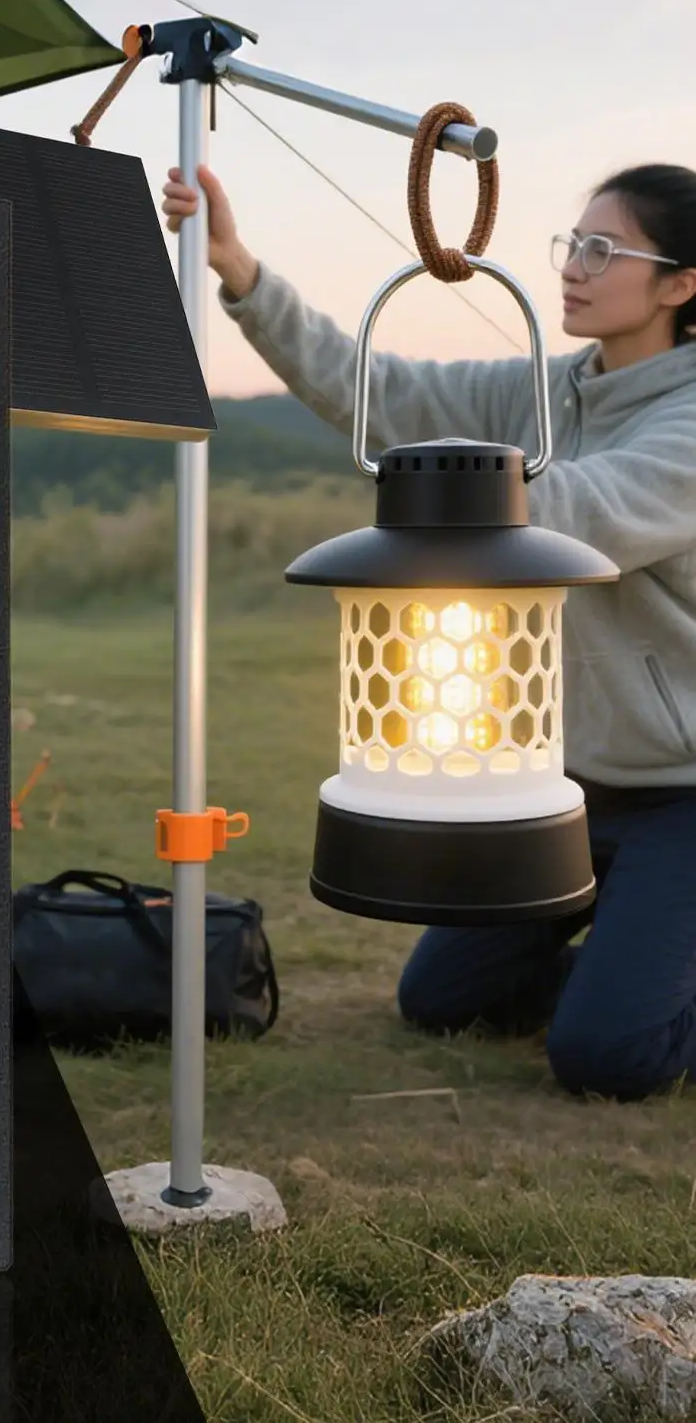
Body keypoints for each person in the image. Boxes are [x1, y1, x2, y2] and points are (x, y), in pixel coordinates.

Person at [161, 160, 696, 1101]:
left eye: (603, 249)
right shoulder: (549, 388)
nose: (572, 265)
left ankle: (638, 971)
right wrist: (238, 270)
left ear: (681, 284)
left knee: (606, 1058)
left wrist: (455, 489)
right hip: (567, 785)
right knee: (441, 999)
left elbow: (586, 510)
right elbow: (382, 394)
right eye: (573, 242)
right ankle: (636, 953)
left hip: (681, 796)